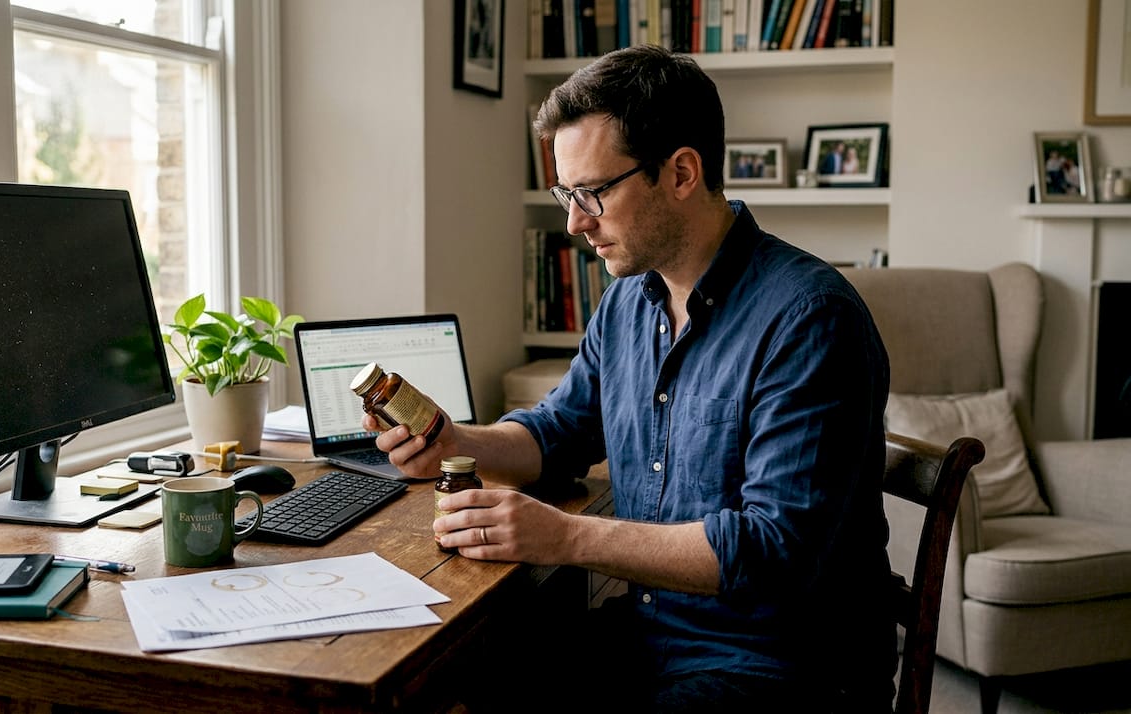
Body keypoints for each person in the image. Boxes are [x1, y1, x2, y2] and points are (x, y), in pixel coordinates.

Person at [366, 44, 894, 713]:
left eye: (593, 193)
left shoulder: (811, 320)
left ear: (680, 173)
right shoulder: (628, 299)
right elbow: (559, 430)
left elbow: (770, 552)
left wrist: (563, 537)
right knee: (464, 684)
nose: (575, 222)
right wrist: (450, 441)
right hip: (655, 635)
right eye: (566, 193)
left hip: (782, 668)